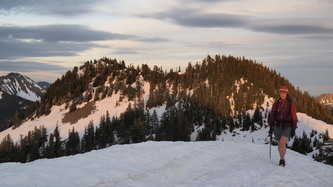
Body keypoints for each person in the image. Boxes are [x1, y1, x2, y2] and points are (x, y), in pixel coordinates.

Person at [269, 86, 298, 167]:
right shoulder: (276, 104)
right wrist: (271, 126)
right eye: (281, 92)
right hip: (277, 126)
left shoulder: (290, 104)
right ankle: (281, 158)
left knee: (282, 143)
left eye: (284, 92)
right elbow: (272, 115)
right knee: (279, 144)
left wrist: (293, 127)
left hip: (287, 126)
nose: (282, 94)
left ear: (287, 94)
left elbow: (294, 116)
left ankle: (282, 160)